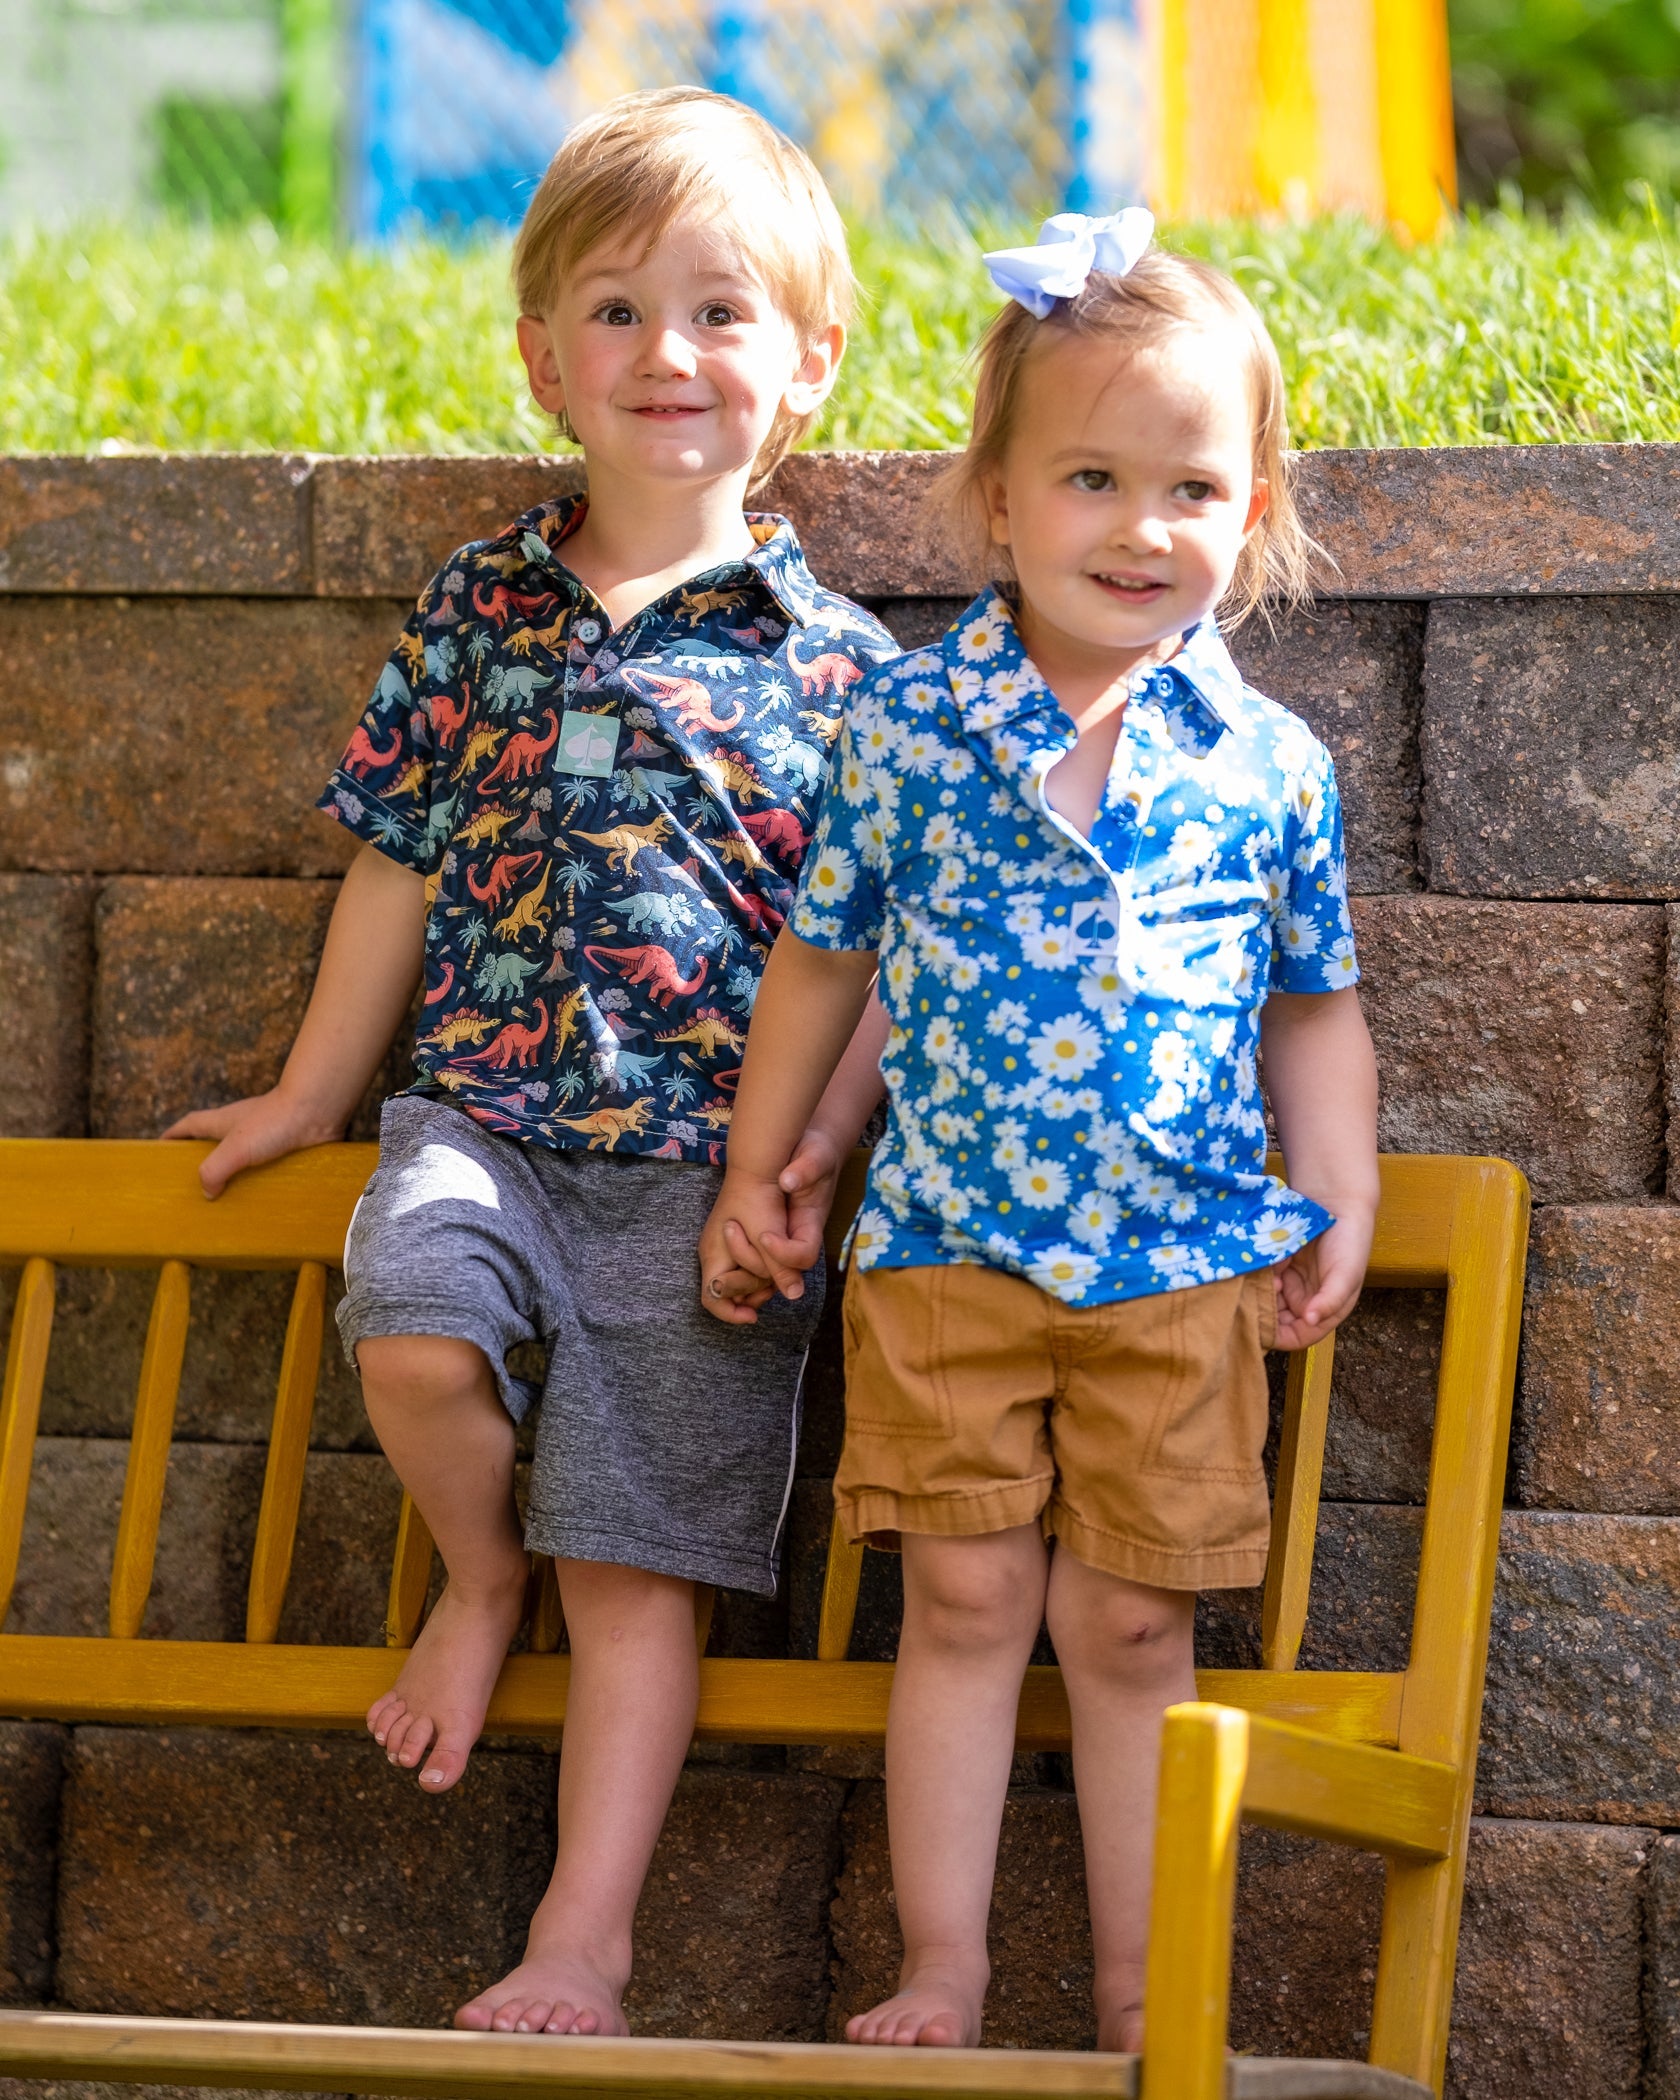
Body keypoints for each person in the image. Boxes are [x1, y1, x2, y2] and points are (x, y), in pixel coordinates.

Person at [165, 87, 899, 2038]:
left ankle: (583, 1937)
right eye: (617, 309)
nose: (670, 351)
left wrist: (800, 1164)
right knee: (409, 1324)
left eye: (724, 312)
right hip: (479, 1118)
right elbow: (395, 870)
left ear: (811, 362)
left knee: (642, 1564)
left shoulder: (849, 676)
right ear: (541, 355)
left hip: (696, 1169)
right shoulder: (478, 609)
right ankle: (478, 1578)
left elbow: (870, 964)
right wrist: (320, 1096)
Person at [700, 210, 1380, 2055]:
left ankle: (1150, 1989)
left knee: (1136, 1633)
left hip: (1182, 1269)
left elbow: (1315, 1003)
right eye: (1091, 477)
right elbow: (823, 967)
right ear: (996, 497)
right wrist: (772, 1167)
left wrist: (1342, 1185)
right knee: (971, 1598)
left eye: (1189, 487)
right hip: (941, 1254)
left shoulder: (1272, 768)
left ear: (1248, 514)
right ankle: (944, 1964)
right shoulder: (912, 731)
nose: (1140, 527)